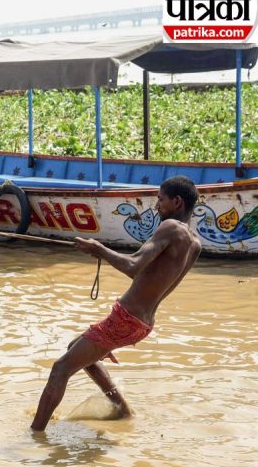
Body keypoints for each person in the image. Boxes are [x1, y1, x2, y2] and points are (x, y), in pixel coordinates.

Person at [30, 176, 202, 431]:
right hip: (144, 322)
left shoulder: (171, 228)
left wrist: (98, 248)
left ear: (177, 202)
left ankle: (34, 435)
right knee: (74, 347)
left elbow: (133, 266)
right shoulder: (195, 243)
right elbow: (162, 286)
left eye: (160, 199)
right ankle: (122, 409)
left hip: (126, 318)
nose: (156, 206)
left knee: (60, 368)